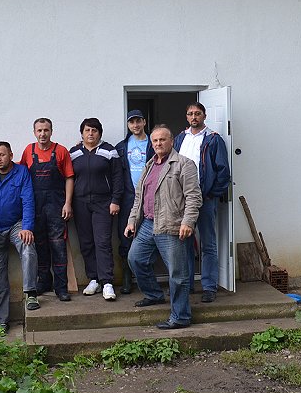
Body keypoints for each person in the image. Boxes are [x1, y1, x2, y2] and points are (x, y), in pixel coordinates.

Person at [125, 124, 202, 329]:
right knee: (135, 259)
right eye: (155, 140)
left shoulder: (184, 164)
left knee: (178, 274)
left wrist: (188, 222)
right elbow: (139, 197)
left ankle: (181, 317)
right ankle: (154, 294)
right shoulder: (149, 165)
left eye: (162, 139)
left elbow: (193, 197)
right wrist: (132, 221)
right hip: (148, 223)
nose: (158, 143)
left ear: (172, 141)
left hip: (171, 225)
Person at [174, 101, 231, 303]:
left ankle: (208, 287)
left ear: (204, 116)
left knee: (208, 244)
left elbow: (223, 172)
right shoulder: (180, 138)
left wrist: (210, 194)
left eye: (197, 113)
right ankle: (187, 285)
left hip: (204, 199)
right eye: (190, 113)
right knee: (184, 243)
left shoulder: (213, 139)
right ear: (186, 117)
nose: (194, 117)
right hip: (183, 200)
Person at [0, 142, 38, 333]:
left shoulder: (21, 172)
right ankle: (2, 320)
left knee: (28, 246)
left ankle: (30, 293)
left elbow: (28, 200)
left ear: (11, 155)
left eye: (2, 155)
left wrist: (27, 227)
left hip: (16, 224)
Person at [18, 117, 74, 302]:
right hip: (36, 206)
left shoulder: (61, 151)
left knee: (58, 246)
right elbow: (19, 171)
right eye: (39, 130)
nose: (43, 134)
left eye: (46, 130)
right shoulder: (29, 150)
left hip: (56, 206)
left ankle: (61, 287)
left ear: (51, 131)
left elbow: (69, 178)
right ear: (34, 132)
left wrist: (67, 203)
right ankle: (44, 282)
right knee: (40, 245)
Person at [69, 117, 123, 301]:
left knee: (103, 242)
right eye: (87, 130)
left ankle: (107, 282)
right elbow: (67, 176)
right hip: (80, 203)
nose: (90, 133)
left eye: (94, 130)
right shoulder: (74, 152)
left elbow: (117, 177)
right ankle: (93, 279)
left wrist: (115, 200)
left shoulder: (109, 151)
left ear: (100, 133)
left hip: (103, 203)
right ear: (82, 133)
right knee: (86, 242)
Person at [114, 109, 154, 295]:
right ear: (128, 125)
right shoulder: (121, 147)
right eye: (132, 122)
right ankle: (127, 278)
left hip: (151, 195)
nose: (135, 125)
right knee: (126, 236)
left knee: (153, 236)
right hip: (128, 197)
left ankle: (149, 277)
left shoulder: (154, 143)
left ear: (144, 122)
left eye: (138, 121)